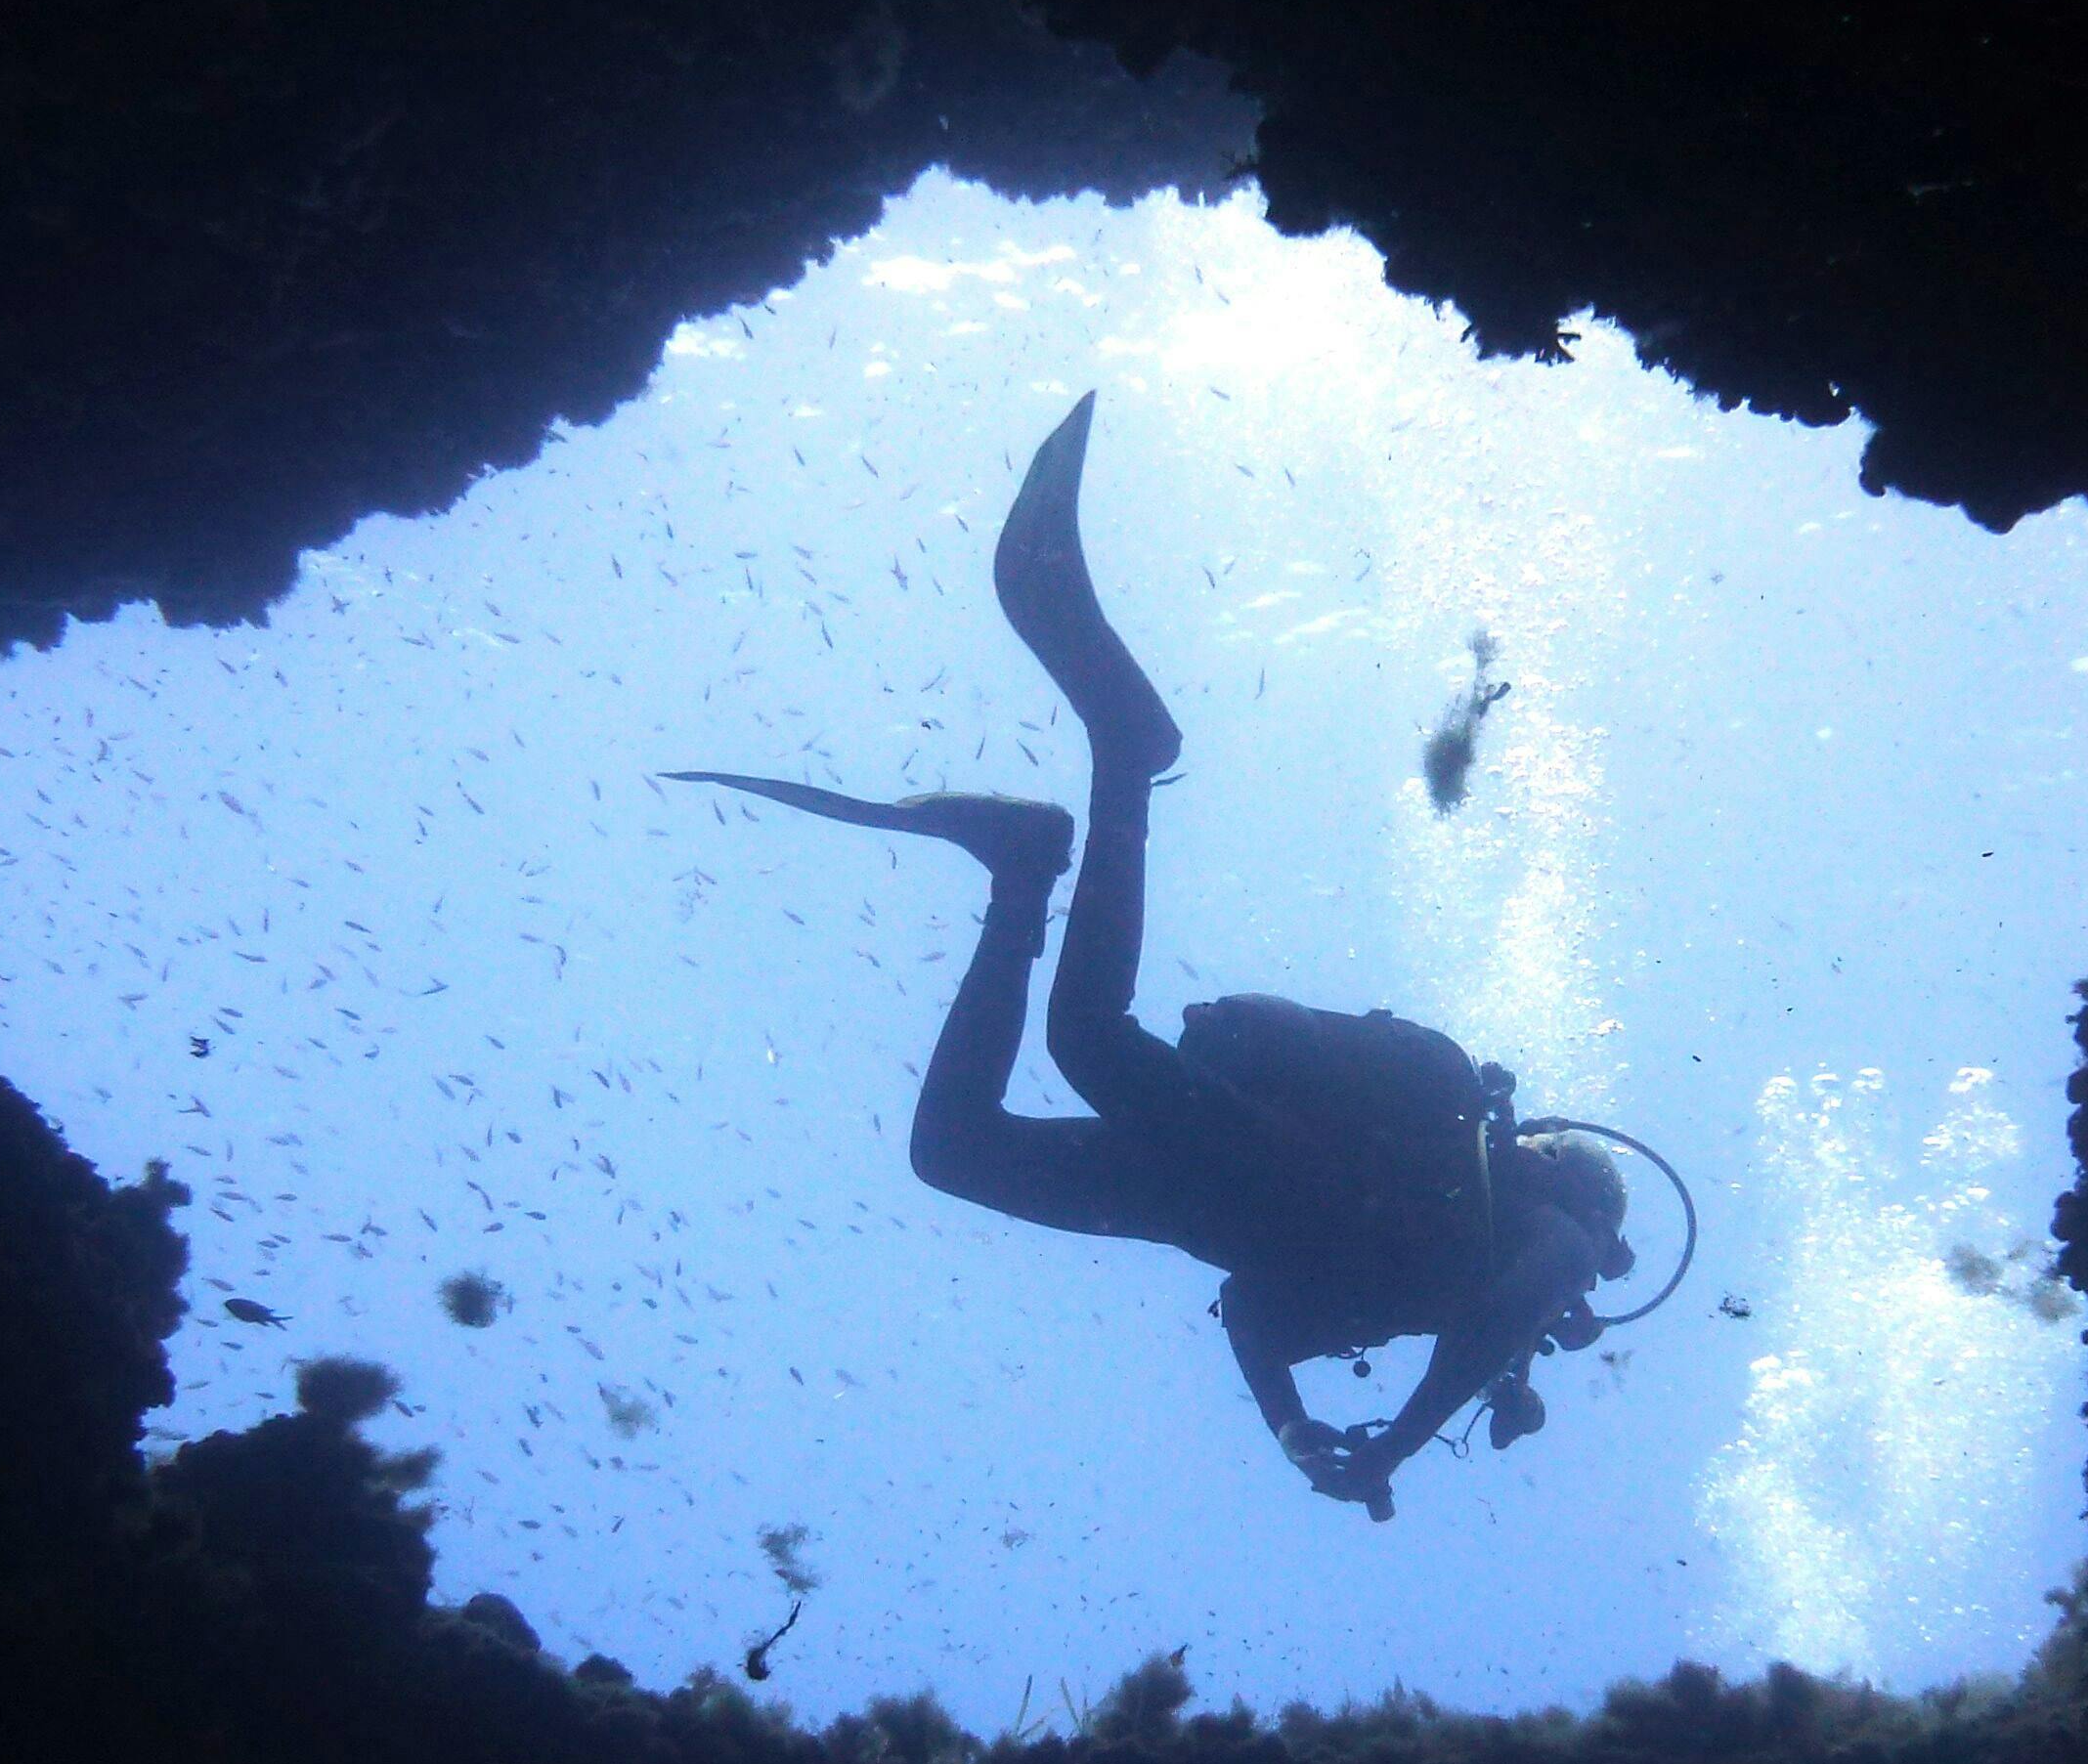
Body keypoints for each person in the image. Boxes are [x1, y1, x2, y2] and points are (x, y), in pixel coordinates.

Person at [669, 396, 1631, 1519]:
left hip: (1201, 1199)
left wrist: (1289, 1427)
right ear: (1570, 1192)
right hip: (1270, 1166)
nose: (1574, 1304)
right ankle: (1124, 760)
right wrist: (1396, 1451)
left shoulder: (1431, 1282)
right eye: (1596, 1251)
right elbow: (1516, 1299)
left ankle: (1023, 870)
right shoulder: (1545, 1236)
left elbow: (1258, 1309)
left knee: (953, 1151)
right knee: (1085, 1040)